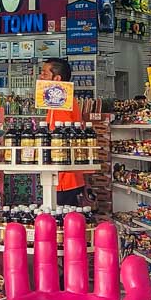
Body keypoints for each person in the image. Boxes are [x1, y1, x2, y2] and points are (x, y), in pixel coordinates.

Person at [40, 57, 86, 207]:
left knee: (64, 222)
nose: (40, 77)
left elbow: (61, 134)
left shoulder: (62, 101)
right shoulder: (59, 101)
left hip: (65, 176)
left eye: (45, 74)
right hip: (65, 175)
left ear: (57, 78)